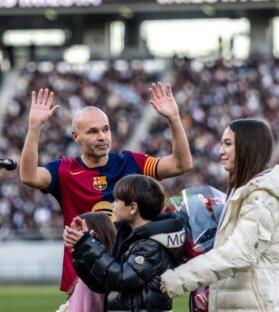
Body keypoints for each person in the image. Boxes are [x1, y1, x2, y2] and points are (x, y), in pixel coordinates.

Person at [20, 83, 193, 292]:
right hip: (82, 278)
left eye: (106, 129)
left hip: (128, 272)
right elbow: (29, 176)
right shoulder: (65, 170)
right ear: (76, 137)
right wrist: (34, 127)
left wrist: (174, 119)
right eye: (93, 132)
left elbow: (181, 164)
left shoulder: (131, 163)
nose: (102, 136)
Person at [160, 119, 279, 311]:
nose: (220, 151)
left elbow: (238, 254)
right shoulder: (247, 192)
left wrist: (178, 278)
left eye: (228, 144)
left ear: (248, 147)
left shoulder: (261, 198)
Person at [63, 174, 192, 311]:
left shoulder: (150, 245)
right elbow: (103, 284)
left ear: (132, 208)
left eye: (117, 200)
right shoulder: (132, 239)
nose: (113, 205)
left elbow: (122, 279)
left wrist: (88, 244)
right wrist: (81, 248)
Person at [56, 212, 116, 312]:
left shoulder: (92, 276)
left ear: (93, 235)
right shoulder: (107, 268)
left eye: (77, 235)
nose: (71, 243)